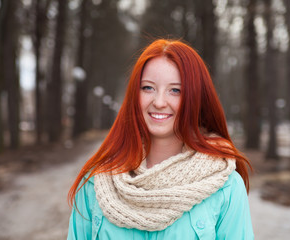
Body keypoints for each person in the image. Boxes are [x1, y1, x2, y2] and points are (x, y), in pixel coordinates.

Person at [67, 39, 254, 239]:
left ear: (196, 98)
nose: (159, 102)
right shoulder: (95, 183)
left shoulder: (225, 186)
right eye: (148, 88)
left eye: (175, 90)